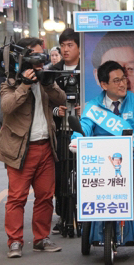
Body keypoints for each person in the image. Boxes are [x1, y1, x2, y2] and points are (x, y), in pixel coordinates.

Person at [0, 37, 66, 258]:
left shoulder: (45, 79)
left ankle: (41, 238)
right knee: (17, 197)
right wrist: (25, 85)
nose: (40, 61)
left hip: (46, 145)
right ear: (23, 57)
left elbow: (62, 98)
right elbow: (7, 107)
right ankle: (15, 241)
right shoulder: (10, 82)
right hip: (20, 148)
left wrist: (47, 83)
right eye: (35, 56)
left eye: (42, 56)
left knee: (45, 196)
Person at [71, 61, 134, 221]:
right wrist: (77, 139)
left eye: (124, 78)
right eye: (117, 81)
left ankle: (133, 216)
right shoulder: (92, 106)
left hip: (132, 157)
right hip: (100, 161)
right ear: (104, 84)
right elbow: (85, 125)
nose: (123, 84)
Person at [49, 28, 81, 235]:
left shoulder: (89, 70)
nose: (65, 49)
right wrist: (56, 111)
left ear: (79, 47)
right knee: (60, 177)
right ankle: (63, 216)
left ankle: (81, 215)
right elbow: (44, 104)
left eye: (70, 45)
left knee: (83, 175)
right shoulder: (52, 72)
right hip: (61, 132)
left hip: (84, 132)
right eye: (63, 45)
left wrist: (84, 108)